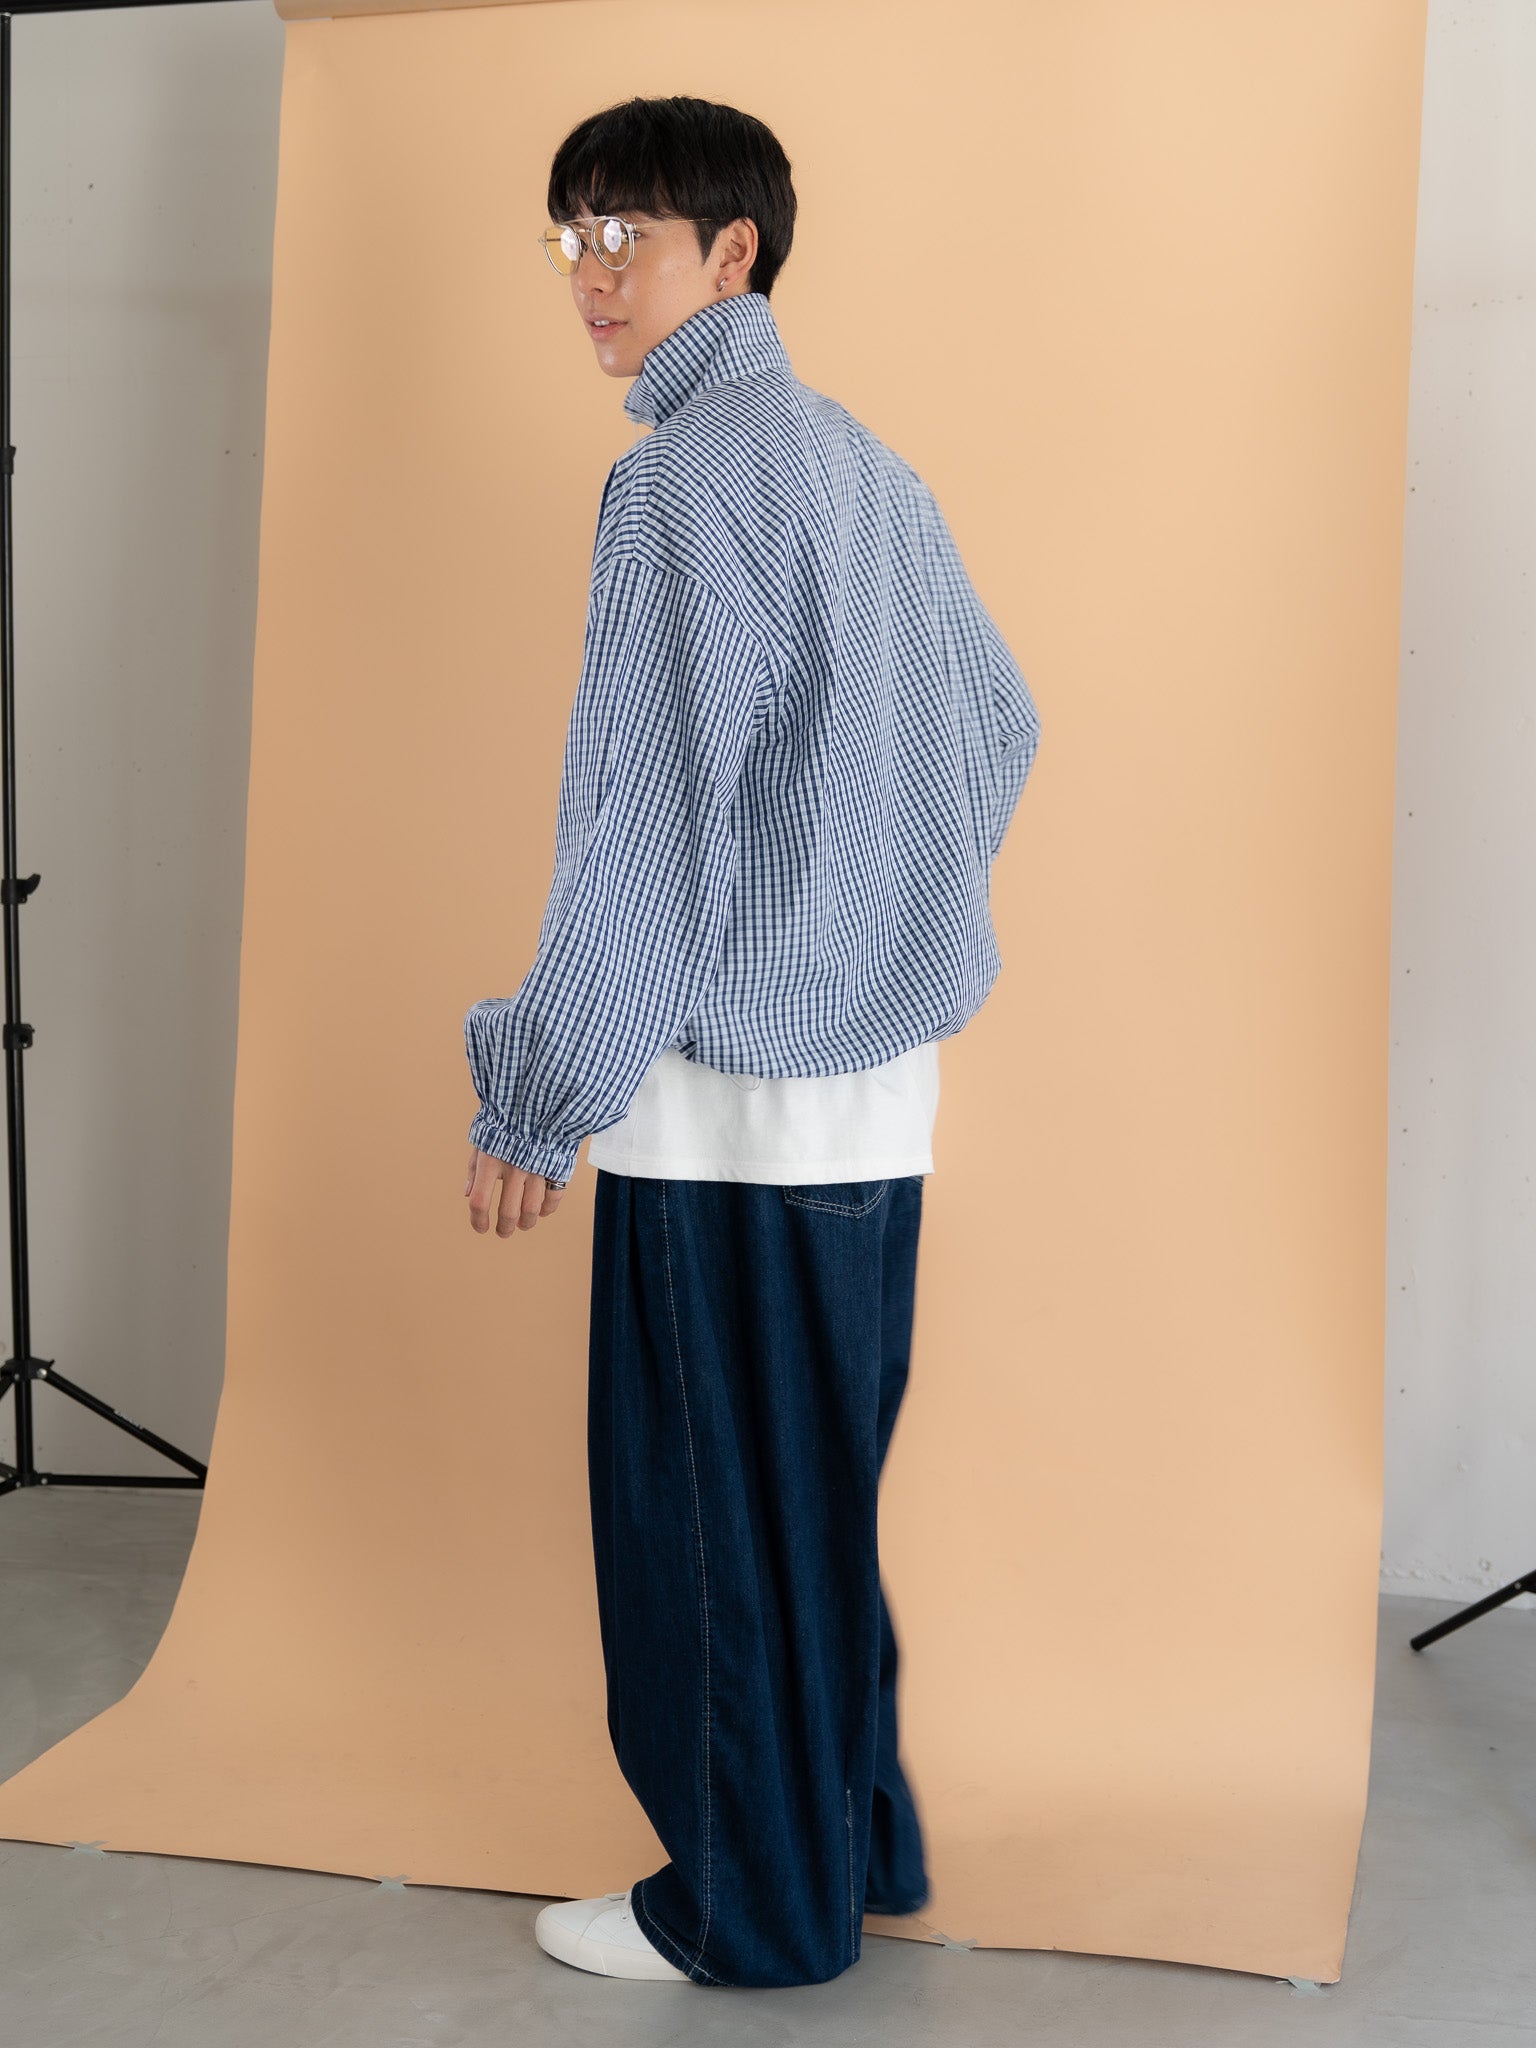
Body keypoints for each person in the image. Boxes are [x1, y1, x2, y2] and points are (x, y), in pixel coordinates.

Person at [461, 95, 1040, 1990]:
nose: (591, 274)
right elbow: (1001, 722)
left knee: (709, 1524)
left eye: (626, 233)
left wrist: (538, 1096)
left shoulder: (679, 482)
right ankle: (848, 1851)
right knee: (814, 1510)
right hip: (877, 1106)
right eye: (573, 236)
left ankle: (742, 1907)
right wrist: (872, 911)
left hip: (720, 1119)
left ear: (736, 253)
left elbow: (639, 824)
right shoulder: (868, 466)